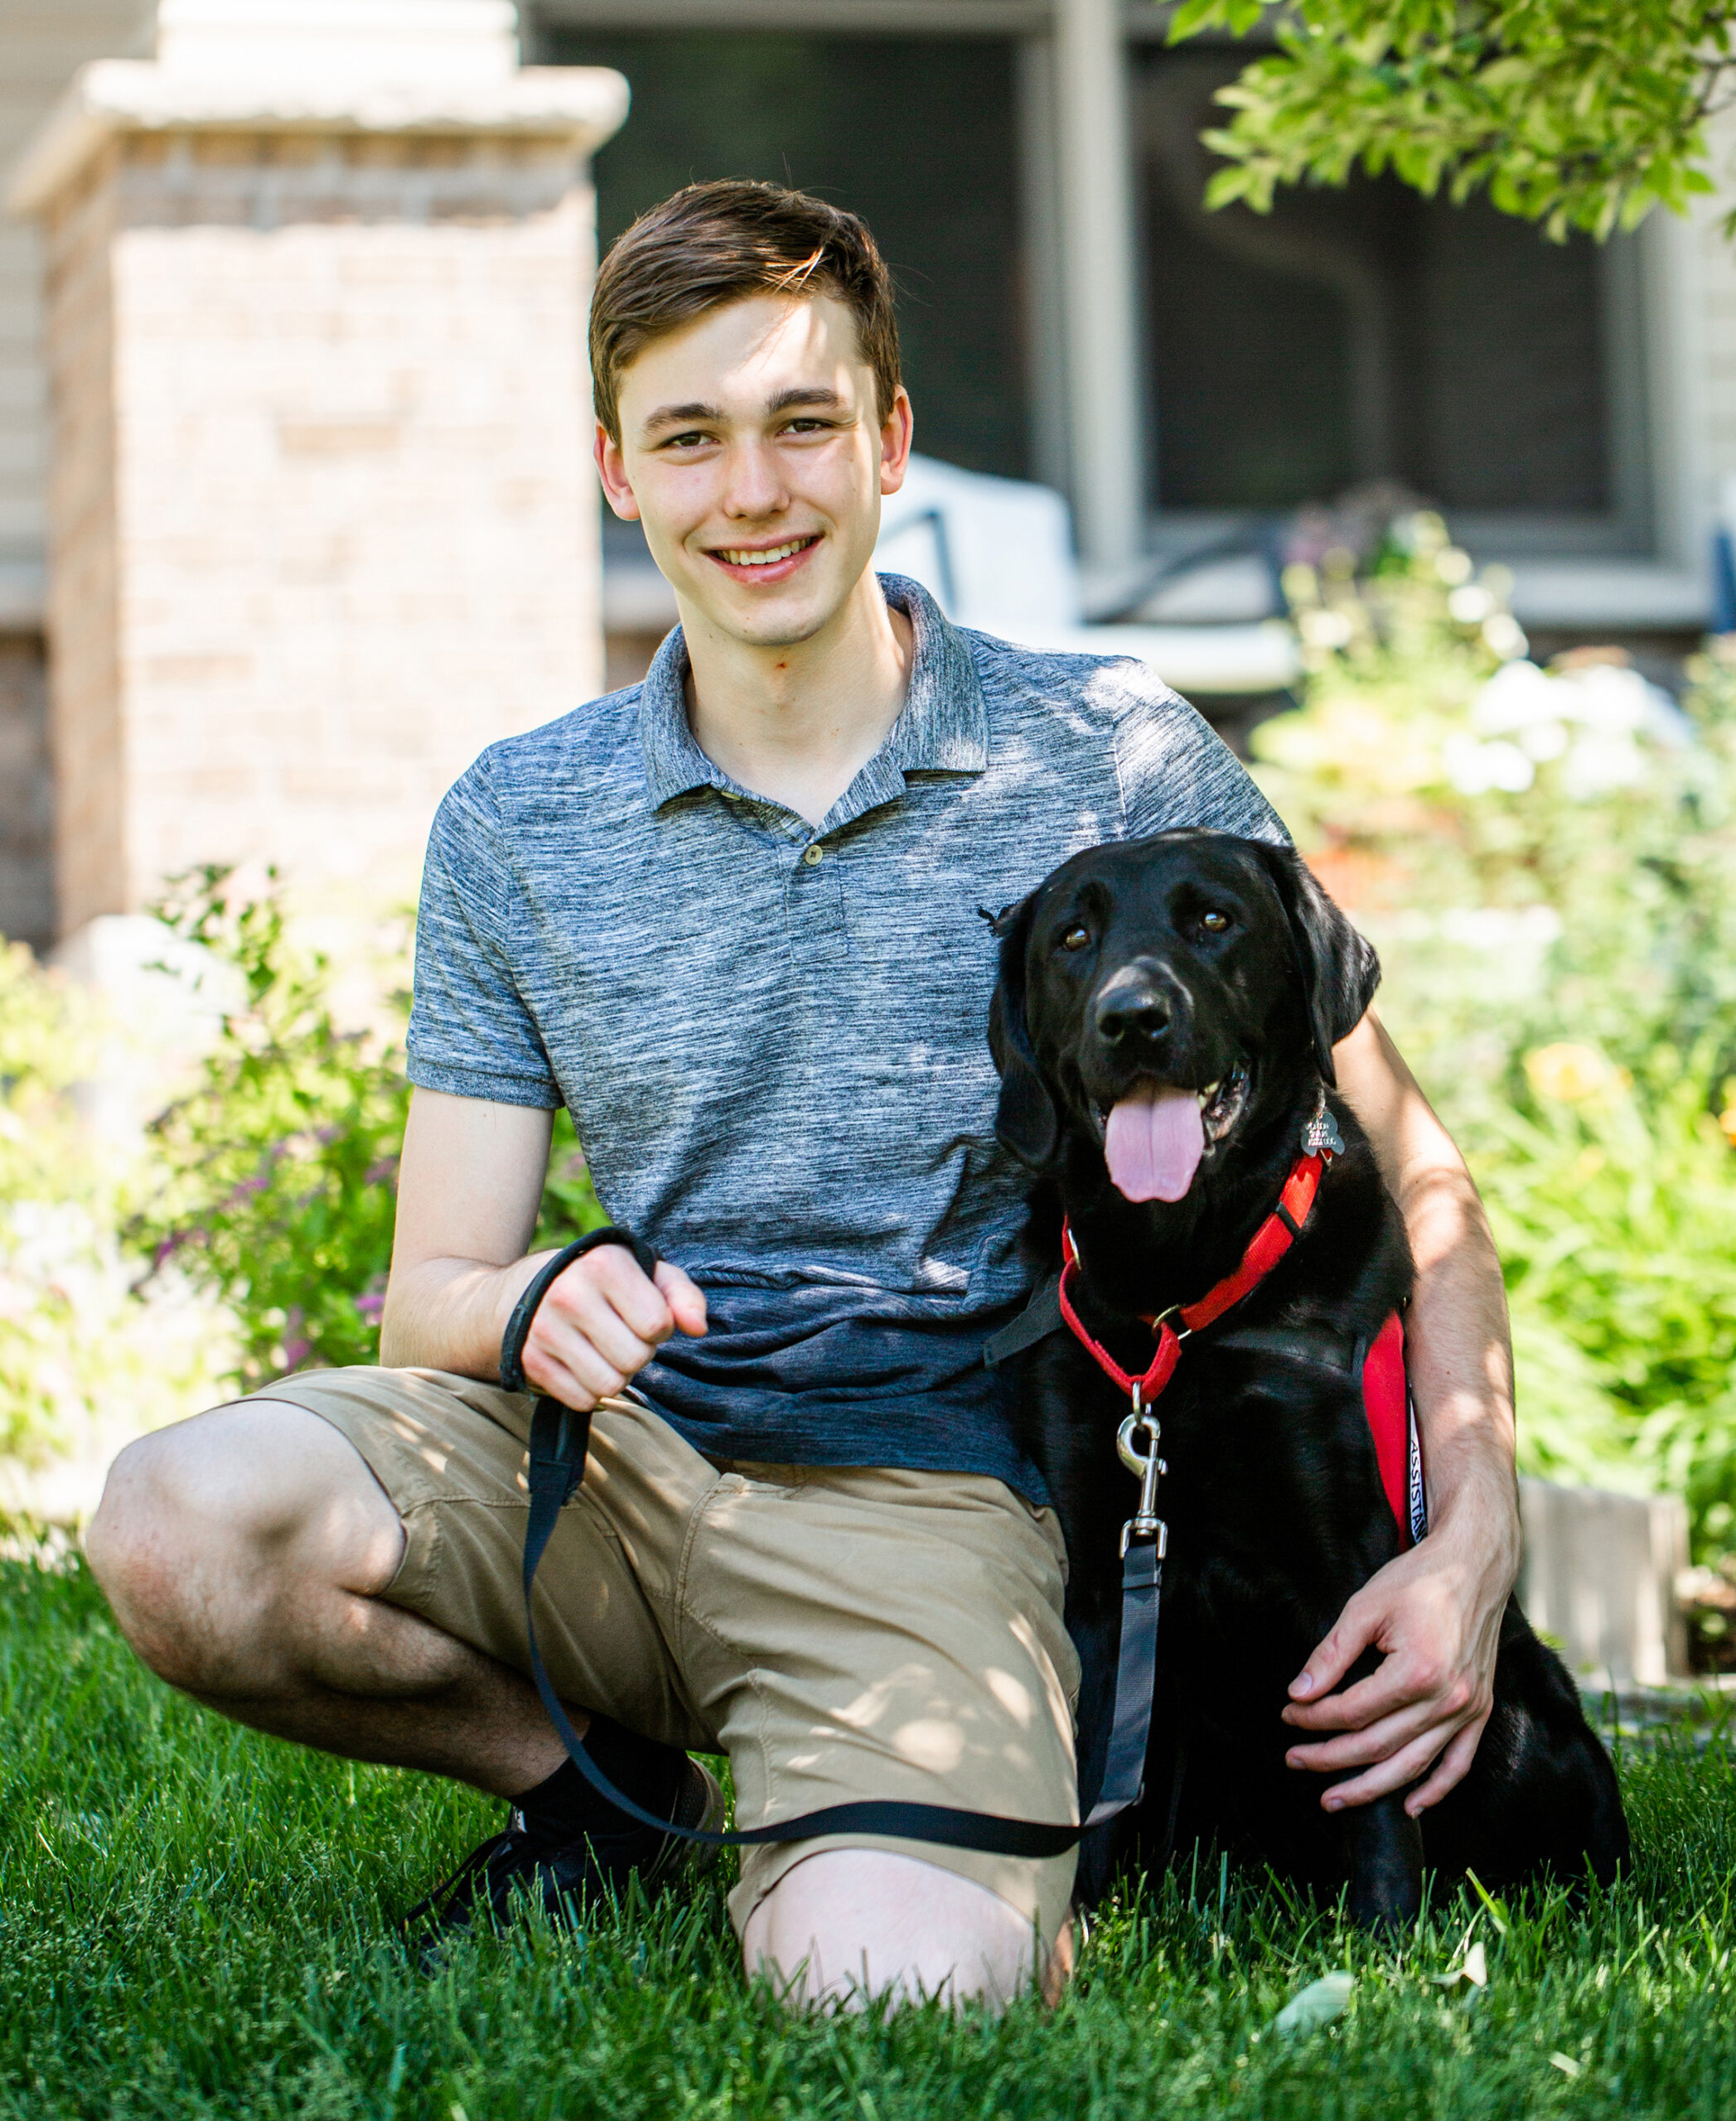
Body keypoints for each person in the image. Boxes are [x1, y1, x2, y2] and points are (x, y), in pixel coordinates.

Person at [85, 181, 1521, 2012]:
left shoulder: (1109, 748)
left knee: (894, 1994)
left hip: (921, 1501)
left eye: (799, 424)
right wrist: (532, 1294)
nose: (749, 492)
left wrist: (1470, 1538)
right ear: (618, 471)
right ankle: (595, 1796)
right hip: (605, 1471)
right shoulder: (520, 819)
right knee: (177, 1522)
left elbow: (1416, 1173)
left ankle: (854, 1806)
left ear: (889, 440)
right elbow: (428, 1291)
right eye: (689, 437)